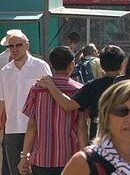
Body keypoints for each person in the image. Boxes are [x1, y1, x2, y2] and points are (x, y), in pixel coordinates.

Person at [18, 46, 87, 175]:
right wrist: (85, 157)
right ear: (72, 64)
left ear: (51, 64)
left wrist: (24, 155)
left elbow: (32, 125)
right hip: (69, 157)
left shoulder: (37, 89)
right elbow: (81, 126)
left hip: (41, 158)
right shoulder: (79, 90)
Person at [36, 45, 125, 141]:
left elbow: (68, 105)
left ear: (101, 66)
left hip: (100, 141)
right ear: (122, 65)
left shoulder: (92, 86)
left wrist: (50, 85)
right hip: (128, 138)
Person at [0, 30, 51, 175]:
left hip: (37, 129)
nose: (15, 49)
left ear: (27, 46)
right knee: (14, 171)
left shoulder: (40, 66)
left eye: (18, 45)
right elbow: (1, 102)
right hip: (12, 131)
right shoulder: (5, 72)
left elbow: (50, 96)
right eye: (11, 46)